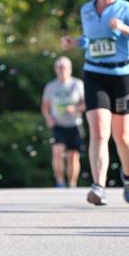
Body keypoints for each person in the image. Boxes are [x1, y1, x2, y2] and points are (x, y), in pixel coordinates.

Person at [61, 0, 129, 206]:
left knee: (122, 135)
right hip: (95, 74)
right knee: (99, 130)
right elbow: (92, 40)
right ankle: (98, 186)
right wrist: (75, 42)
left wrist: (124, 29)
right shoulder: (87, 10)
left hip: (123, 75)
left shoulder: (126, 9)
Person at [41, 56, 85, 187]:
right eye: (59, 67)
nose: (62, 69)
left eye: (64, 67)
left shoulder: (77, 84)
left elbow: (86, 104)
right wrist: (48, 118)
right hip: (58, 125)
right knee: (57, 152)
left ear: (70, 69)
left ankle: (72, 183)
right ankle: (60, 181)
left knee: (73, 156)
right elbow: (45, 106)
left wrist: (76, 108)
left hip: (75, 124)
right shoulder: (50, 86)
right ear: (55, 69)